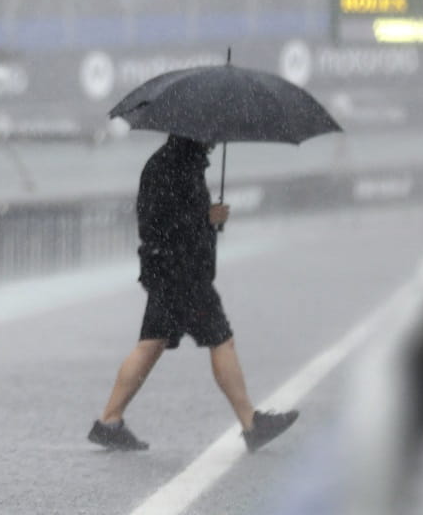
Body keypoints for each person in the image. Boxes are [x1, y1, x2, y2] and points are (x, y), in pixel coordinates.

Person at [89, 135, 298, 453]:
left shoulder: (174, 162)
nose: (214, 141)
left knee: (152, 343)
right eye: (210, 136)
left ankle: (109, 421)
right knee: (220, 339)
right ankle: (251, 424)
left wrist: (207, 220)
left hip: (169, 270)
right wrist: (207, 218)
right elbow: (162, 223)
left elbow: (166, 222)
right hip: (182, 274)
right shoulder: (175, 166)